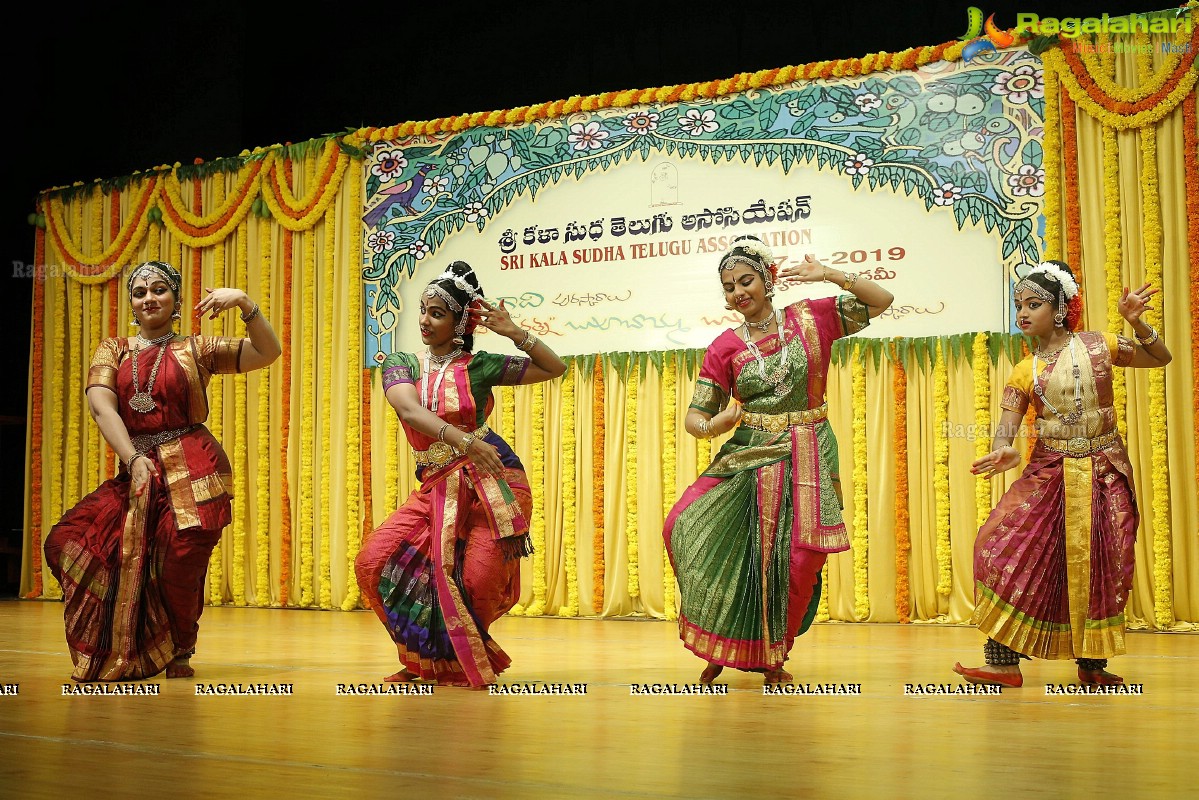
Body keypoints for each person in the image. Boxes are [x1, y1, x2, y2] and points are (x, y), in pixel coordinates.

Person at [663, 235, 894, 685]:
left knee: (797, 562)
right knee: (685, 527)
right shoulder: (724, 347)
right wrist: (716, 425)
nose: (738, 293)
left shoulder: (812, 316)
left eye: (746, 281)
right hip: (748, 454)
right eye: (729, 287)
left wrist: (830, 273)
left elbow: (881, 300)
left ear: (769, 279)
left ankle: (773, 655)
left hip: (810, 450)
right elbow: (695, 415)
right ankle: (723, 638)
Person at [44, 261, 281, 681]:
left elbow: (267, 352)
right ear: (132, 305)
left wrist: (245, 303)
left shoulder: (195, 349)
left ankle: (180, 648)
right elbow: (102, 407)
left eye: (158, 290)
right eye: (139, 292)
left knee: (179, 561)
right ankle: (130, 639)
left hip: (195, 467)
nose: (148, 297)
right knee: (67, 540)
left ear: (175, 301)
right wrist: (133, 459)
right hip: (137, 469)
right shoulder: (112, 350)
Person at [954, 261, 1171, 688]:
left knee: (1103, 558)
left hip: (1104, 470)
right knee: (997, 548)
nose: (1022, 313)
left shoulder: (1100, 345)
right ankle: (1002, 662)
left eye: (1033, 304)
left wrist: (1137, 323)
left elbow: (1159, 359)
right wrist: (1005, 453)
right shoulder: (1023, 371)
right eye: (1018, 305)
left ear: (1059, 309)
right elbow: (1005, 433)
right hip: (1049, 470)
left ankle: (1093, 666)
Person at [354, 261, 566, 688]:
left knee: (479, 580)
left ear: (458, 322)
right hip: (438, 481)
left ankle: (459, 656)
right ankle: (423, 658)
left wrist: (514, 332)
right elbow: (409, 409)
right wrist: (464, 441)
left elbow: (553, 367)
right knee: (373, 561)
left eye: (437, 313)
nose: (424, 321)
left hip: (492, 478)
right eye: (423, 310)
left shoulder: (480, 365)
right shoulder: (401, 362)